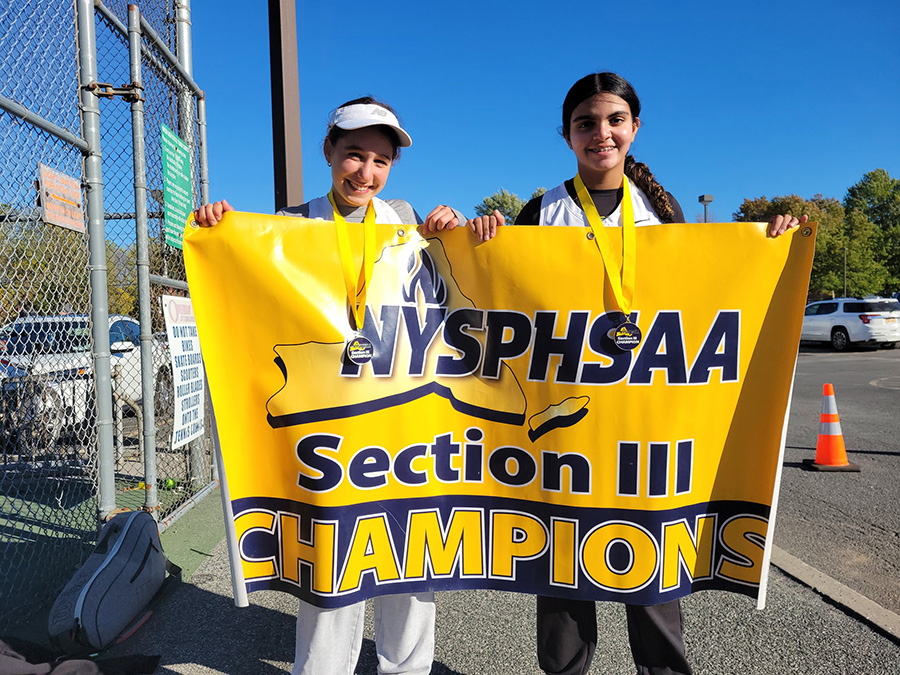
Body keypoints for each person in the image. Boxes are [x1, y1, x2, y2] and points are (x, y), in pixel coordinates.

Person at [469, 72, 806, 675]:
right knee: (564, 578)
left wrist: (768, 242)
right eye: (586, 123)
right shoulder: (541, 210)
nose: (601, 133)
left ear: (634, 128)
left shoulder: (661, 209)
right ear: (566, 135)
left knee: (652, 584)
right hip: (567, 435)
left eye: (613, 120)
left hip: (643, 434)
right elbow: (494, 295)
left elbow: (706, 291)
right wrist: (477, 235)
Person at [193, 96, 497, 675]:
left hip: (402, 421)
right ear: (329, 151)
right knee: (335, 560)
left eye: (381, 161)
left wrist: (453, 231)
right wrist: (219, 232)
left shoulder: (406, 223)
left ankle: (406, 668)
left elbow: (463, 288)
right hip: (331, 425)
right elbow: (248, 288)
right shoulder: (290, 225)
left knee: (412, 557)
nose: (366, 172)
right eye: (355, 155)